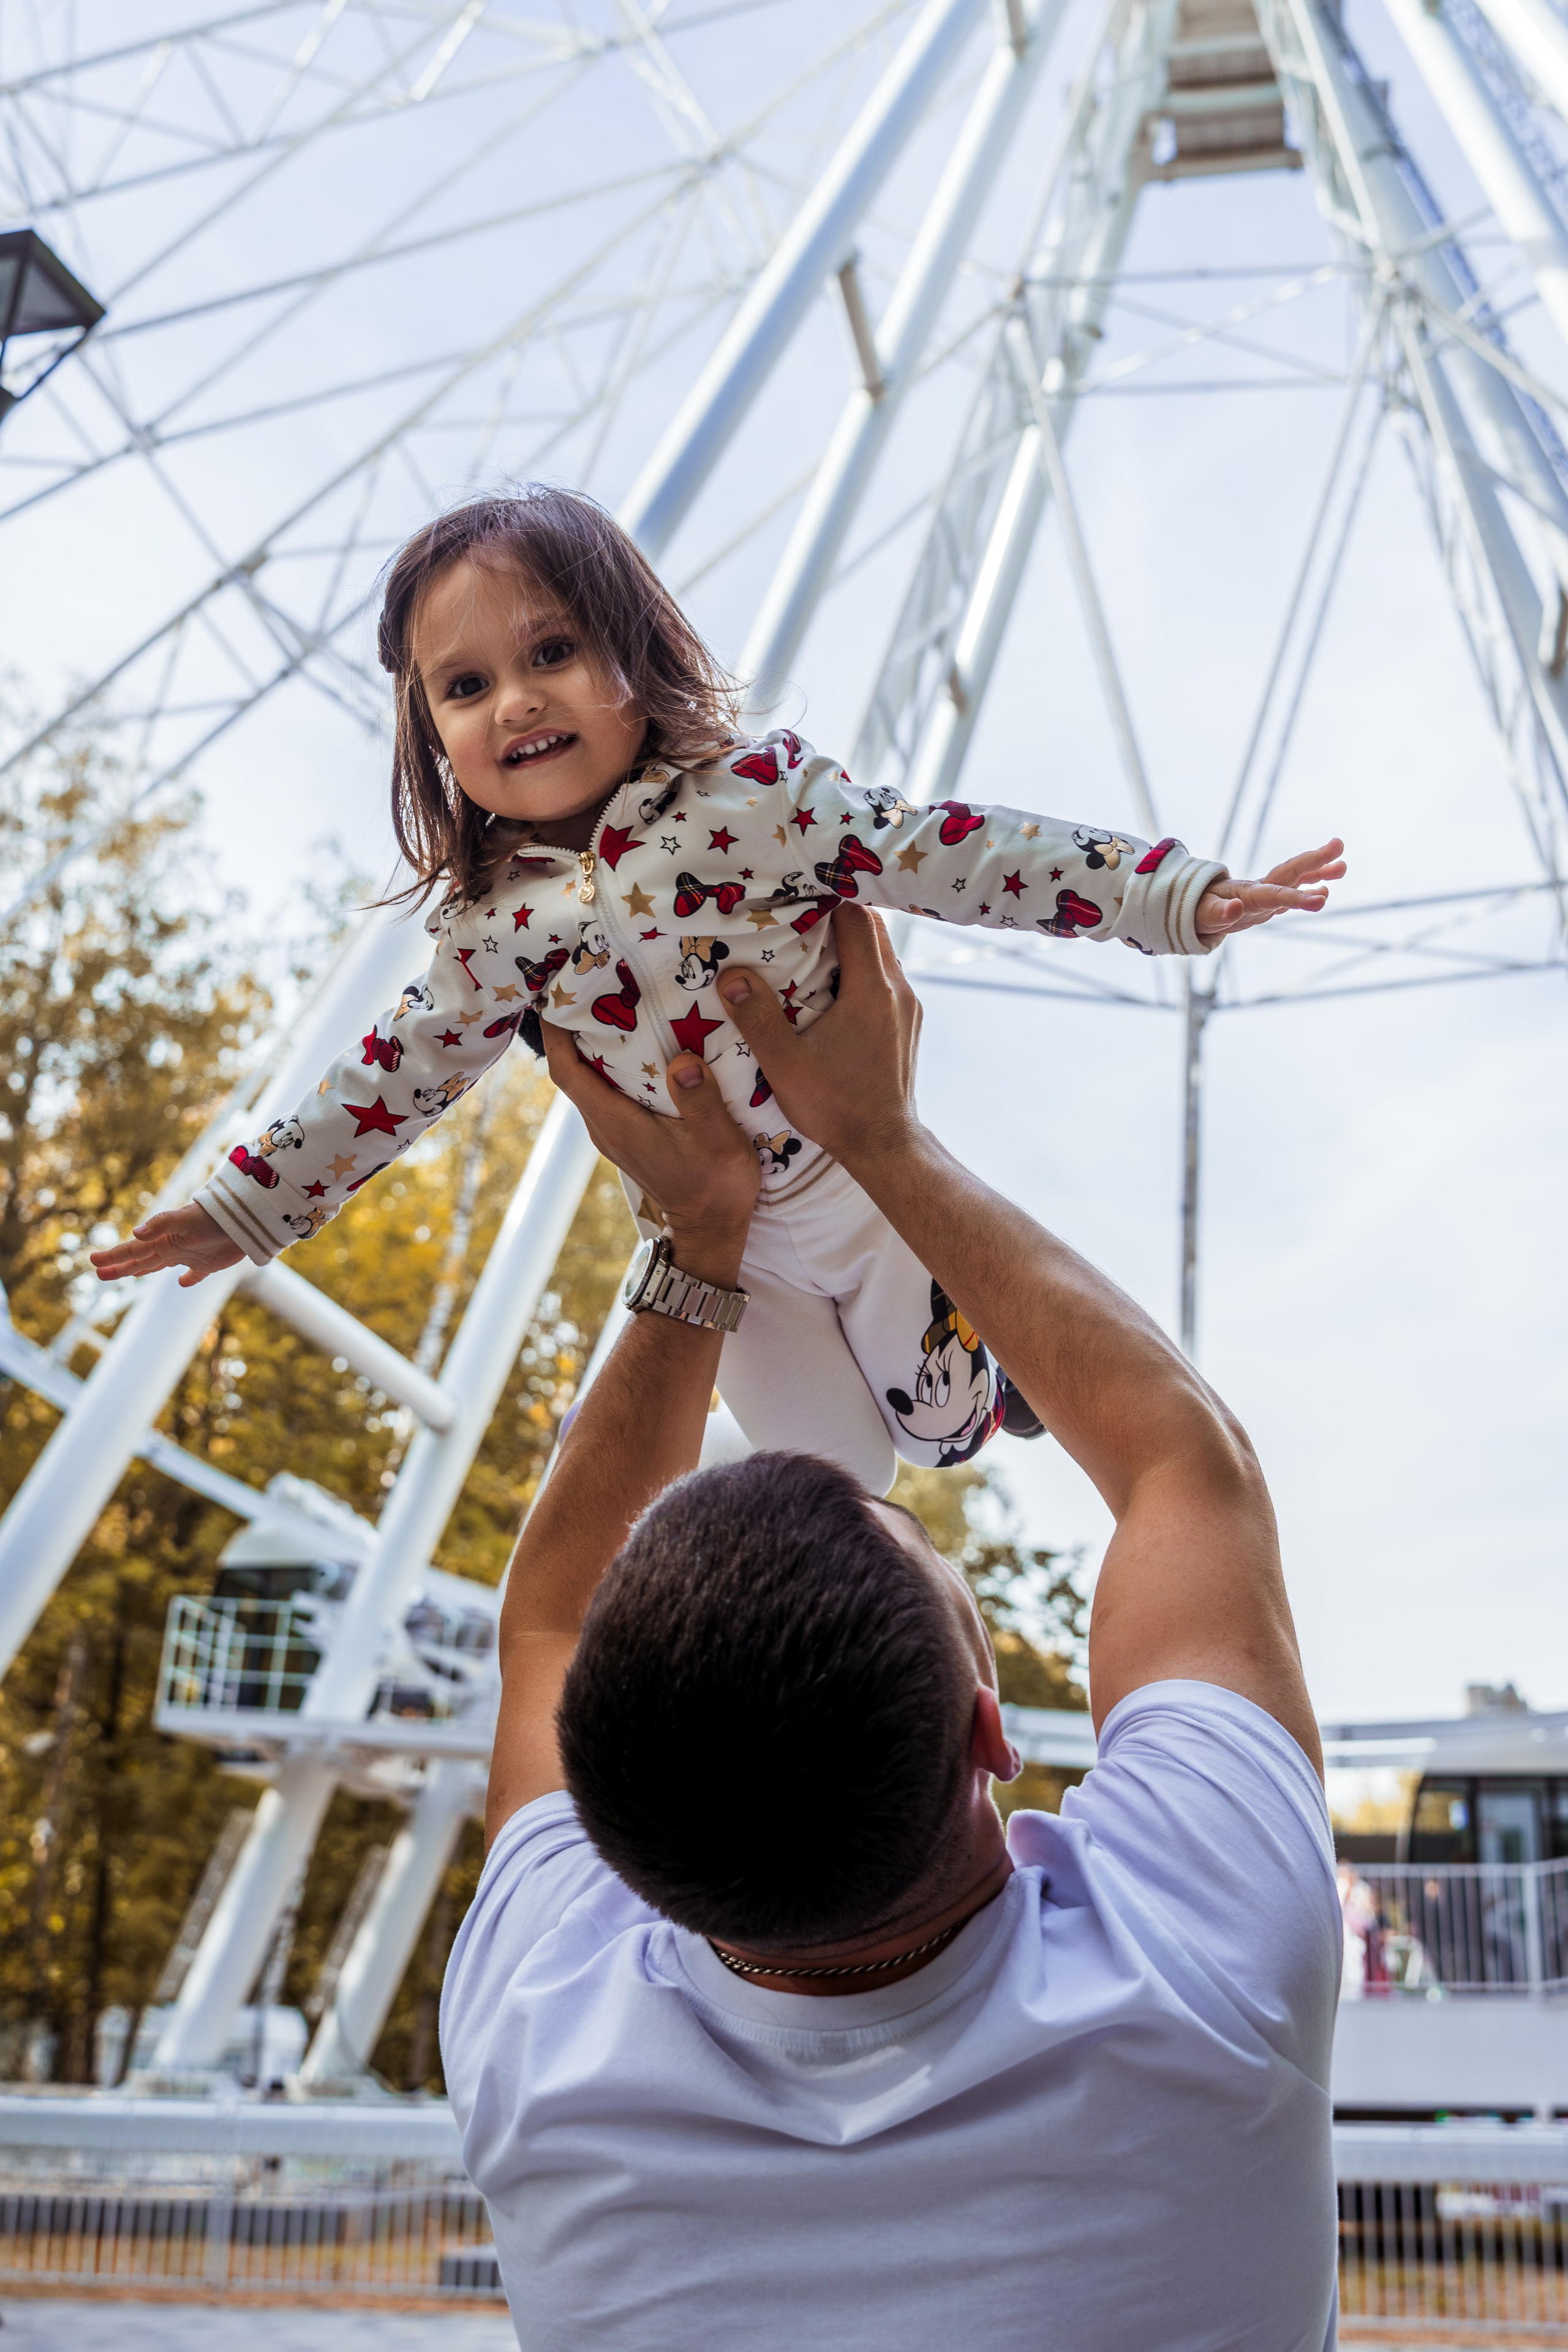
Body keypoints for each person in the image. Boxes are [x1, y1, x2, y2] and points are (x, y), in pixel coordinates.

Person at [439, 903, 1343, 2351]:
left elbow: (547, 1622)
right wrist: (872, 1141)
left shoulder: (541, 2043)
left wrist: (705, 1235)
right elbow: (1184, 1461)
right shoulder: (1206, 1969)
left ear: (603, 1832)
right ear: (989, 1729)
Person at [89, 485, 1345, 1492]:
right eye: (465, 687)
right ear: (431, 734)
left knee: (940, 1423)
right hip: (714, 1251)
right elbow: (393, 1079)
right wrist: (248, 1209)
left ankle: (987, 1379)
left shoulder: (758, 801)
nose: (515, 700)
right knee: (827, 1476)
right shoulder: (488, 932)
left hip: (856, 1187)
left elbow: (953, 852)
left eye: (551, 651)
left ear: (633, 657)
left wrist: (1167, 895)